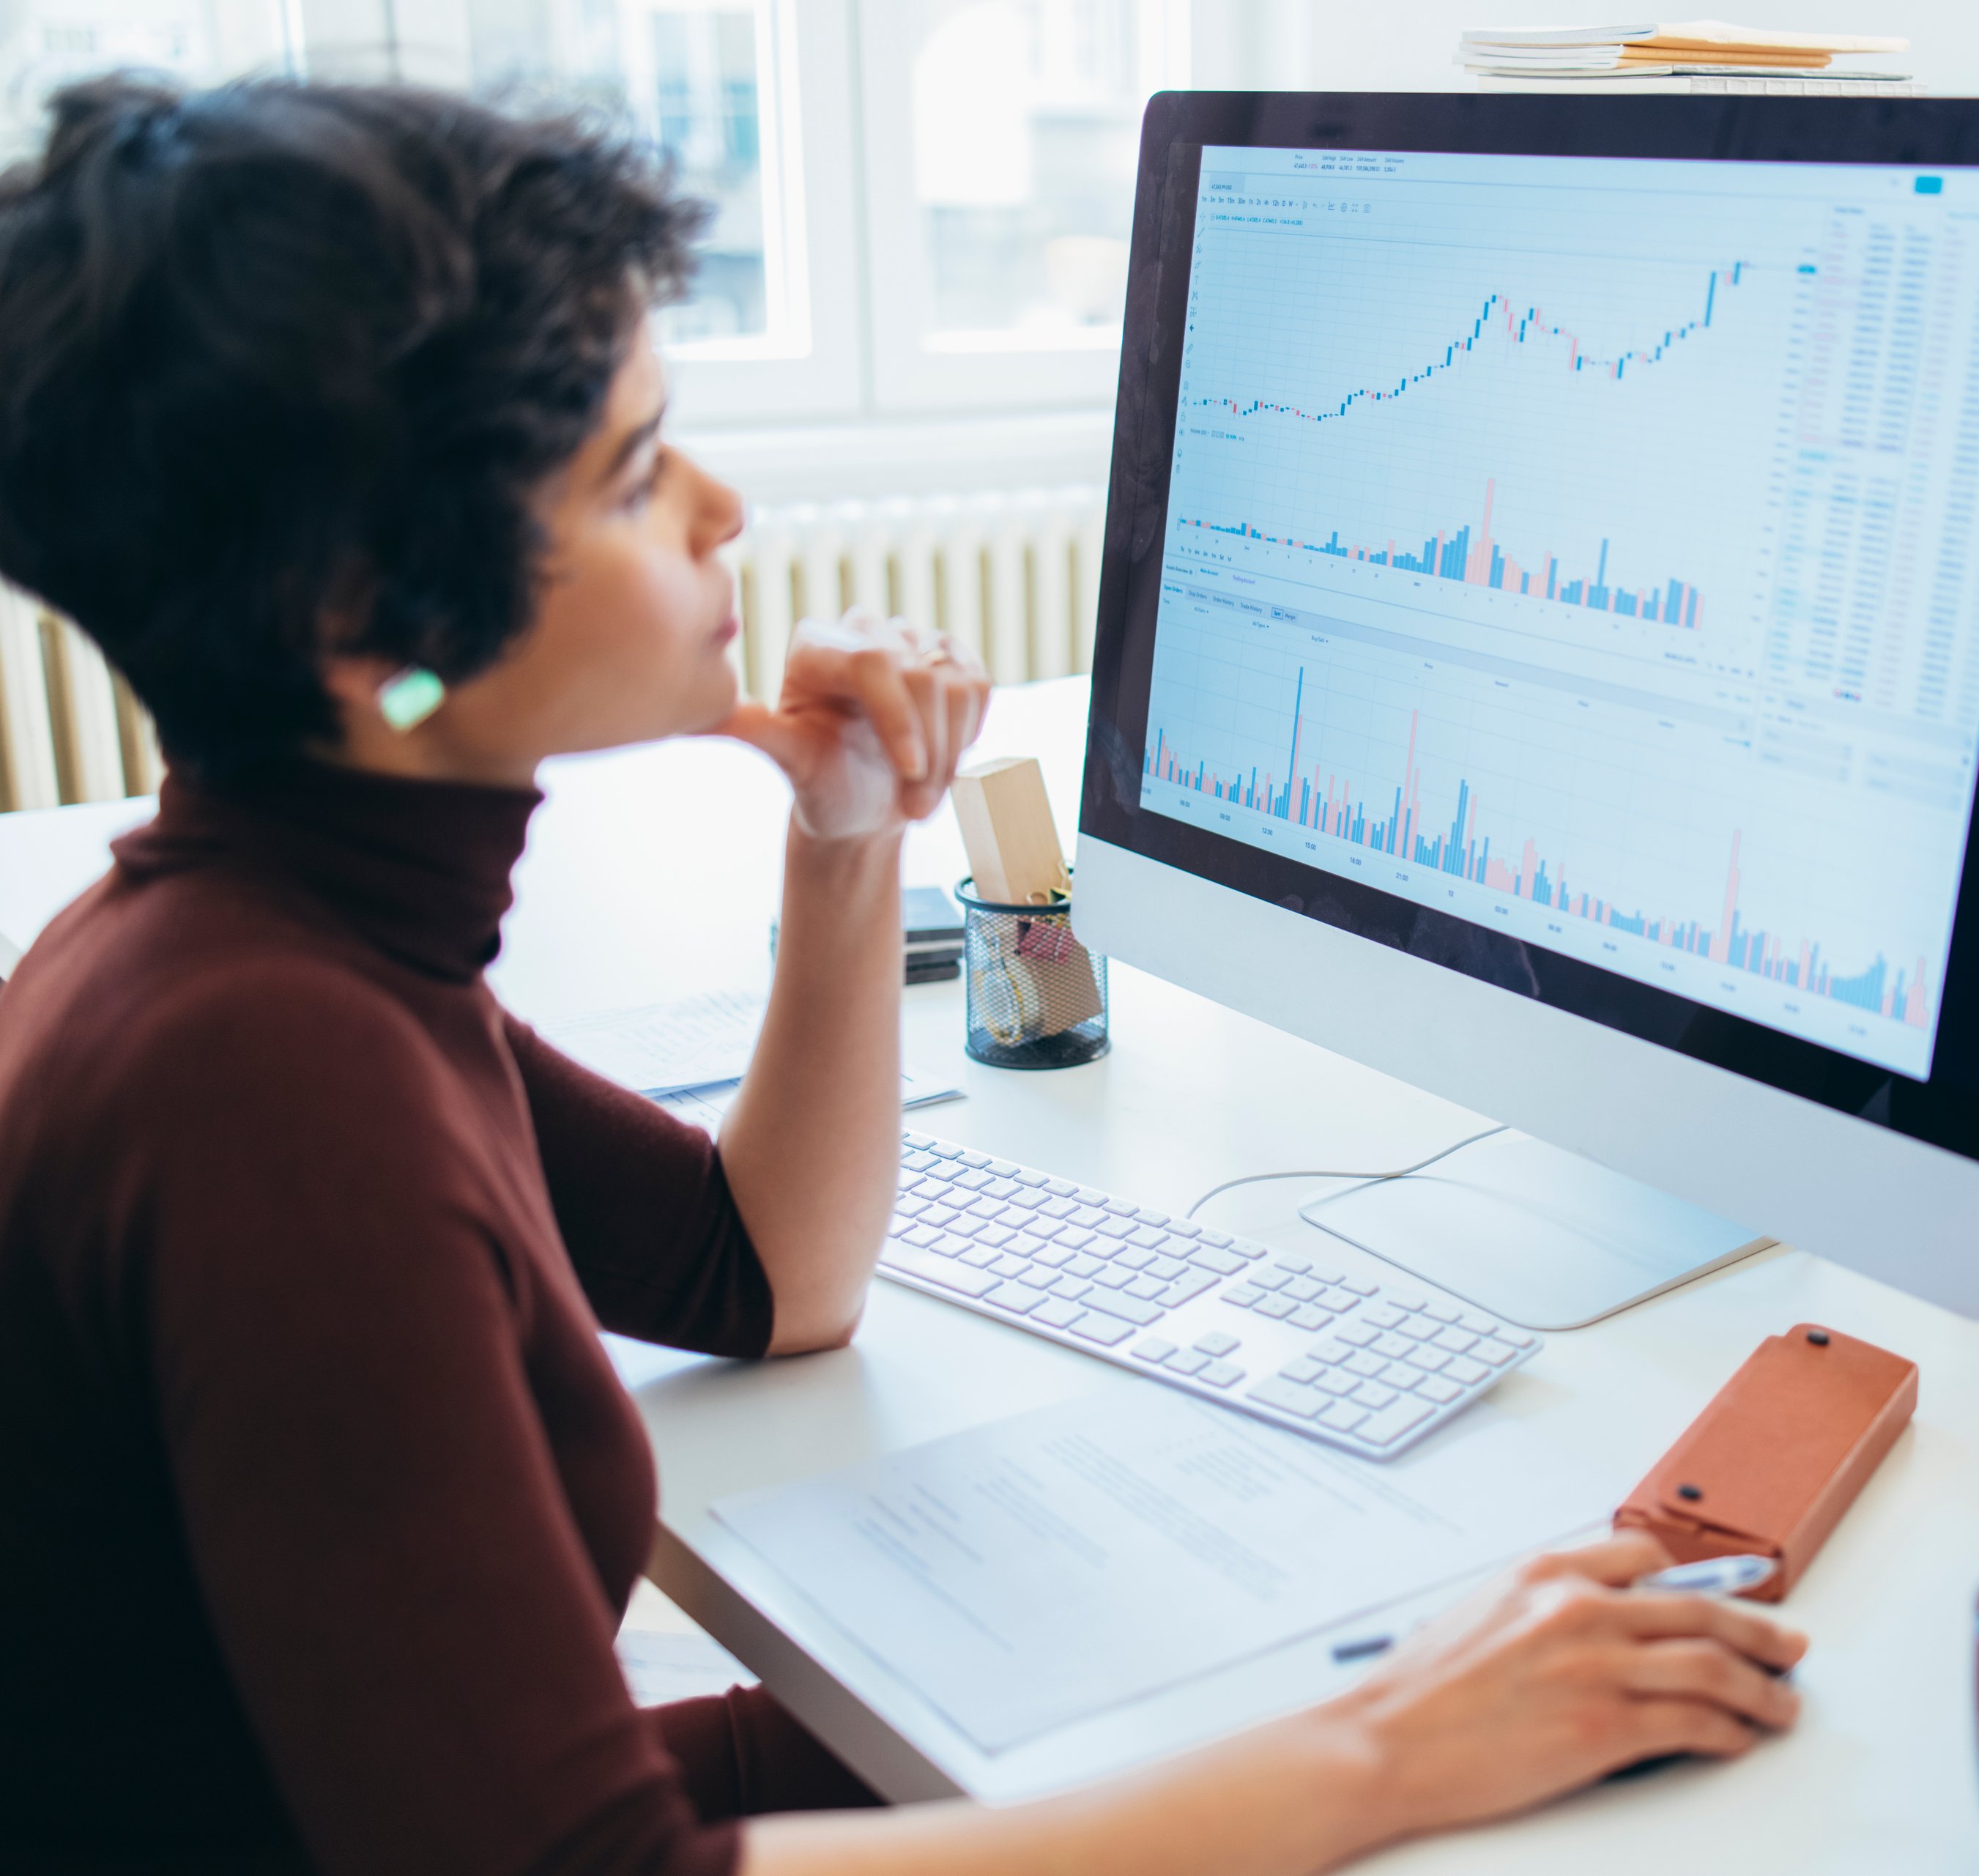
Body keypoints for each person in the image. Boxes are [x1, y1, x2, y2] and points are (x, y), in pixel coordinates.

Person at [0, 76, 1805, 1876]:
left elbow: (767, 1274)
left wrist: (850, 829)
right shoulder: (273, 1080)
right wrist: (1377, 1762)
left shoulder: (284, 939)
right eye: (634, 473)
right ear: (363, 618)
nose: (721, 508)